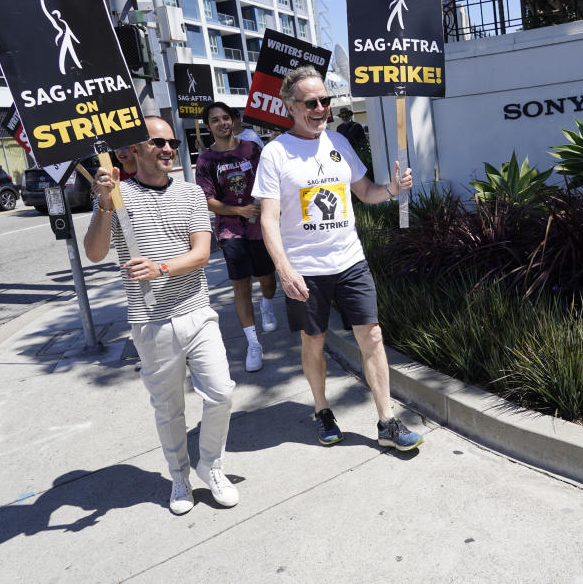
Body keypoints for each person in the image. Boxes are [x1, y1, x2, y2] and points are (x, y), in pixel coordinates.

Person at [253, 66, 423, 451]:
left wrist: (392, 189)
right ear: (290, 106)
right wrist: (283, 268)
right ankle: (322, 409)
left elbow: (366, 192)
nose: (320, 109)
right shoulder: (276, 153)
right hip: (305, 270)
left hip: (350, 262)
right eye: (311, 102)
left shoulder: (338, 144)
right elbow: (268, 220)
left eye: (325, 101)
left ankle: (387, 420)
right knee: (313, 342)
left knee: (373, 336)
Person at [83, 116, 239, 515]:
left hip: (196, 311)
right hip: (150, 321)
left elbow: (202, 254)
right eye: (158, 142)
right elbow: (95, 252)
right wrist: (104, 203)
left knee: (221, 392)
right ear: (134, 150)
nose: (169, 149)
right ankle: (179, 477)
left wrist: (161, 268)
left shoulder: (190, 193)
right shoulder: (116, 196)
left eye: (172, 142)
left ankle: (211, 465)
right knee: (168, 408)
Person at [196, 101, 278, 372]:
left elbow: (268, 180)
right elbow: (208, 200)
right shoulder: (206, 160)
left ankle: (267, 304)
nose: (222, 123)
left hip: (258, 225)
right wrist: (238, 210)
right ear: (208, 126)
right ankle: (253, 344)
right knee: (241, 286)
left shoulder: (252, 149)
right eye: (215, 120)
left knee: (267, 279)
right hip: (230, 229)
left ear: (233, 120)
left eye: (225, 118)